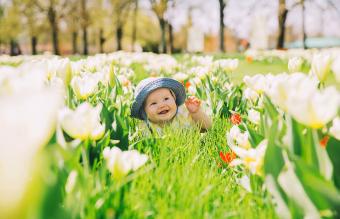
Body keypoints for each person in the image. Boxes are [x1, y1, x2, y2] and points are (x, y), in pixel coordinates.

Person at [130, 77, 212, 134]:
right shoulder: (146, 128)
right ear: (143, 111)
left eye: (166, 99)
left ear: (174, 99)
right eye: (153, 103)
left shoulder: (184, 113)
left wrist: (196, 113)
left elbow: (207, 127)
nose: (162, 105)